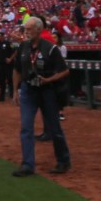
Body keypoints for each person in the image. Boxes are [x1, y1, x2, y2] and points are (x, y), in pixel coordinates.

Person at [12, 16, 72, 178]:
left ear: (39, 29)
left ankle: (63, 160)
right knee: (26, 127)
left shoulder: (50, 48)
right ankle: (27, 164)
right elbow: (17, 69)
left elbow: (64, 71)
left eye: (29, 29)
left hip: (47, 90)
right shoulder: (23, 47)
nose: (26, 32)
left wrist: (48, 80)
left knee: (54, 128)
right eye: (25, 29)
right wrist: (15, 91)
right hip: (28, 90)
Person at [0, 30, 15, 102]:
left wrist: (10, 59)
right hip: (0, 64)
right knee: (1, 81)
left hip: (8, 64)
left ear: (2, 36)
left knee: (10, 80)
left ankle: (12, 96)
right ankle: (1, 97)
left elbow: (15, 51)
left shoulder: (8, 43)